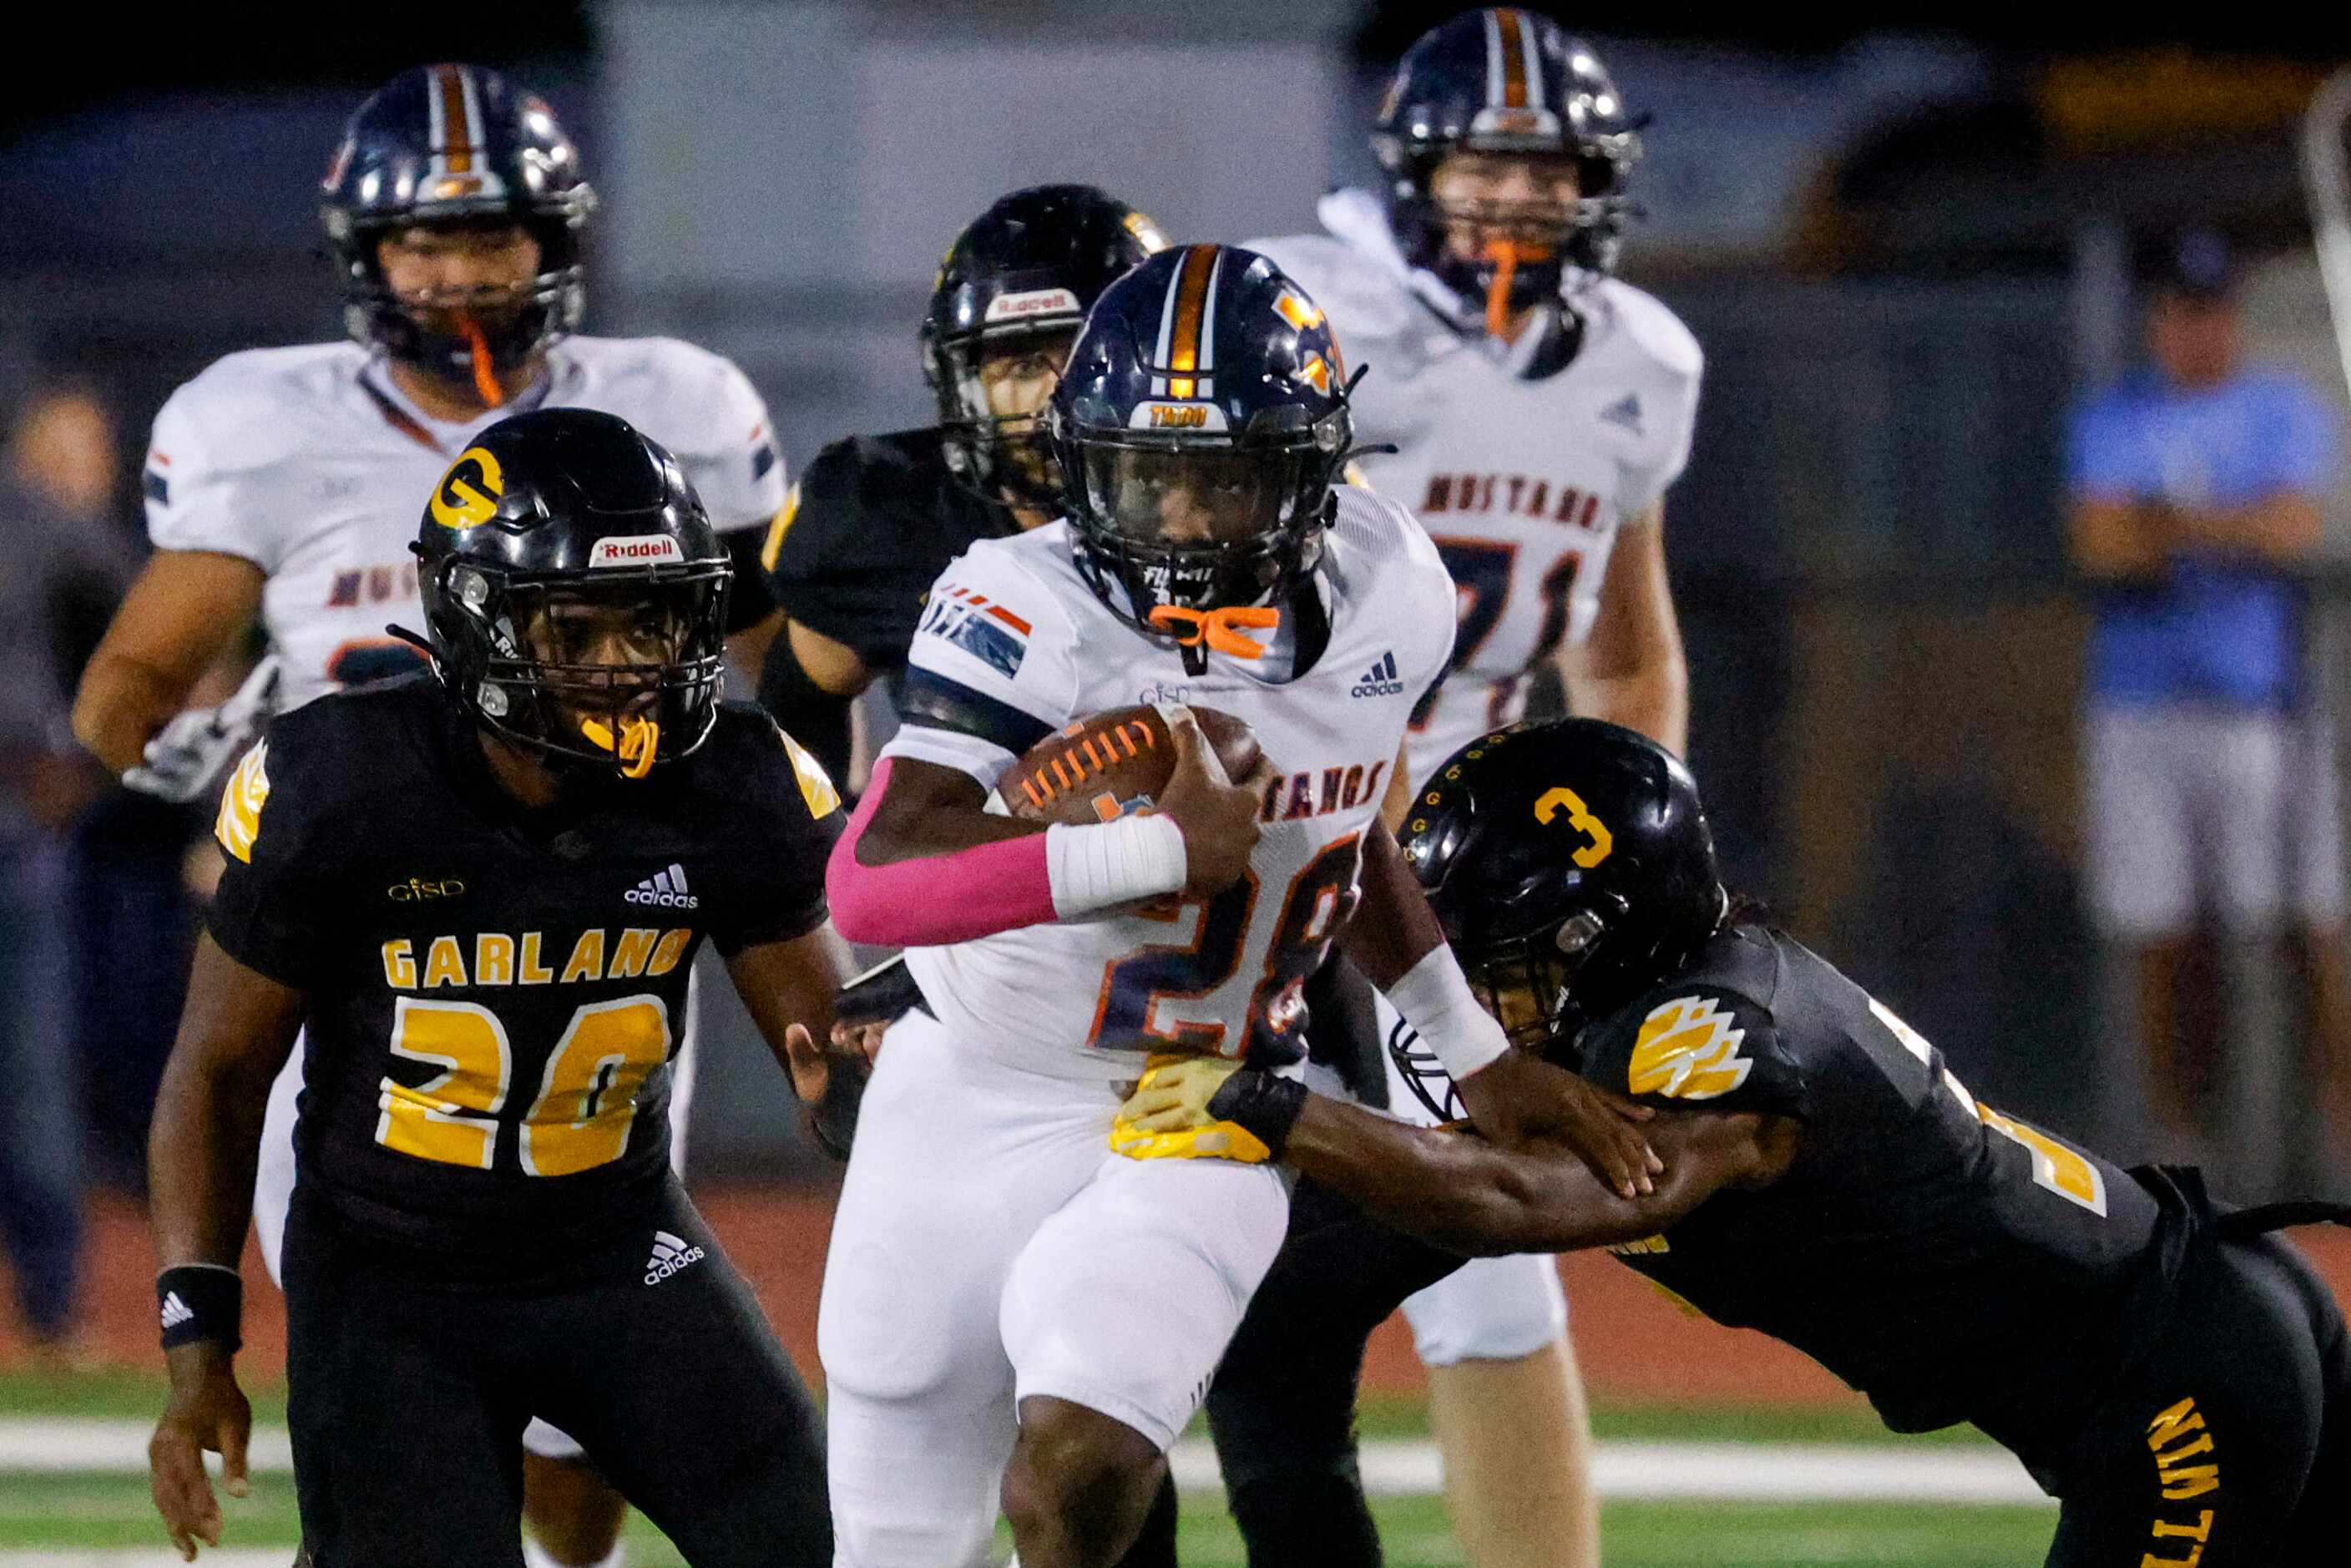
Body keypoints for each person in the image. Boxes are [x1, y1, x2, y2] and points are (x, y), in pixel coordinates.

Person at [815, 243, 1656, 1568]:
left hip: (1196, 1106)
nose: (1187, 520)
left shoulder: (1396, 589)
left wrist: (1475, 1052)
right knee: (899, 1542)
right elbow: (872, 879)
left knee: (1080, 1471)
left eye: (1227, 475)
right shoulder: (1020, 599)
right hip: (971, 1094)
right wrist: (1147, 850)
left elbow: (1349, 837)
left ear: (1314, 467)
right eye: (1149, 476)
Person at [72, 65, 790, 1568]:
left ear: (558, 243)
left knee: (589, 1420)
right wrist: (210, 771)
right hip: (358, 937)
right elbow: (131, 684)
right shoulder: (268, 425)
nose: (460, 272)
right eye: (424, 242)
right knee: (410, 1310)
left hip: (605, 903)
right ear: (365, 257)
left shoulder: (672, 412)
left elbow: (750, 676)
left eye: (495, 235)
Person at [1118, 716, 2351, 1567]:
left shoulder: (1714, 1026)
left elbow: (1523, 1201)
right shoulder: (1613, 1021)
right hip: (2196, 1327)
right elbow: (1319, 1290)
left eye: (1502, 962)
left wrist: (1274, 1107)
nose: (1473, 1000)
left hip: (2181, 1388)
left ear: (1599, 929)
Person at [144, 408, 846, 1567]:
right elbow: (217, 1071)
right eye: (581, 627)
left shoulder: (733, 776)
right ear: (477, 616)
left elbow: (829, 1050)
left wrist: (871, 1086)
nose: (628, 666)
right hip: (392, 1272)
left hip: (619, 1246)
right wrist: (195, 1343)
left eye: (653, 621)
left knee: (826, 1544)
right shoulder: (341, 777)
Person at [1241, 13, 1699, 1560]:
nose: (1514, 193)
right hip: (1272, 816)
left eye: (1546, 164)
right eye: (1484, 160)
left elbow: (1627, 654)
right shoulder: (1306, 301)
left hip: (1469, 852)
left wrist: (1638, 852)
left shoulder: (1643, 361)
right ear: (1415, 169)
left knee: (1496, 1239)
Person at [2069, 228, 2351, 1196]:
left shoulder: (2277, 409)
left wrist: (2172, 523)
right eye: (2184, 313)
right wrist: (2219, 528)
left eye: (2215, 311)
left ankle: (2333, 1141)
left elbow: (2290, 526)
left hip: (2256, 708)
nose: (2201, 332)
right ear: (2158, 321)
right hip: (2141, 709)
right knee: (2165, 936)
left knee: (2298, 925)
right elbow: (2103, 546)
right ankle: (2184, 1150)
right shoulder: (2114, 414)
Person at [759, 183, 1167, 786]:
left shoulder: (1242, 506)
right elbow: (800, 701)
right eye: (1024, 365)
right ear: (964, 385)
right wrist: (829, 849)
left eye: (1091, 357)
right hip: (991, 863)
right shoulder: (891, 514)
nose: (1056, 395)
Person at [0, 382, 136, 1359]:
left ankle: (56, 1310)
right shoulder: (38, 518)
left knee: (32, 1074)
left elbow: (154, 645)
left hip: (12, 830)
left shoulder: (40, 526)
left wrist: (80, 770)